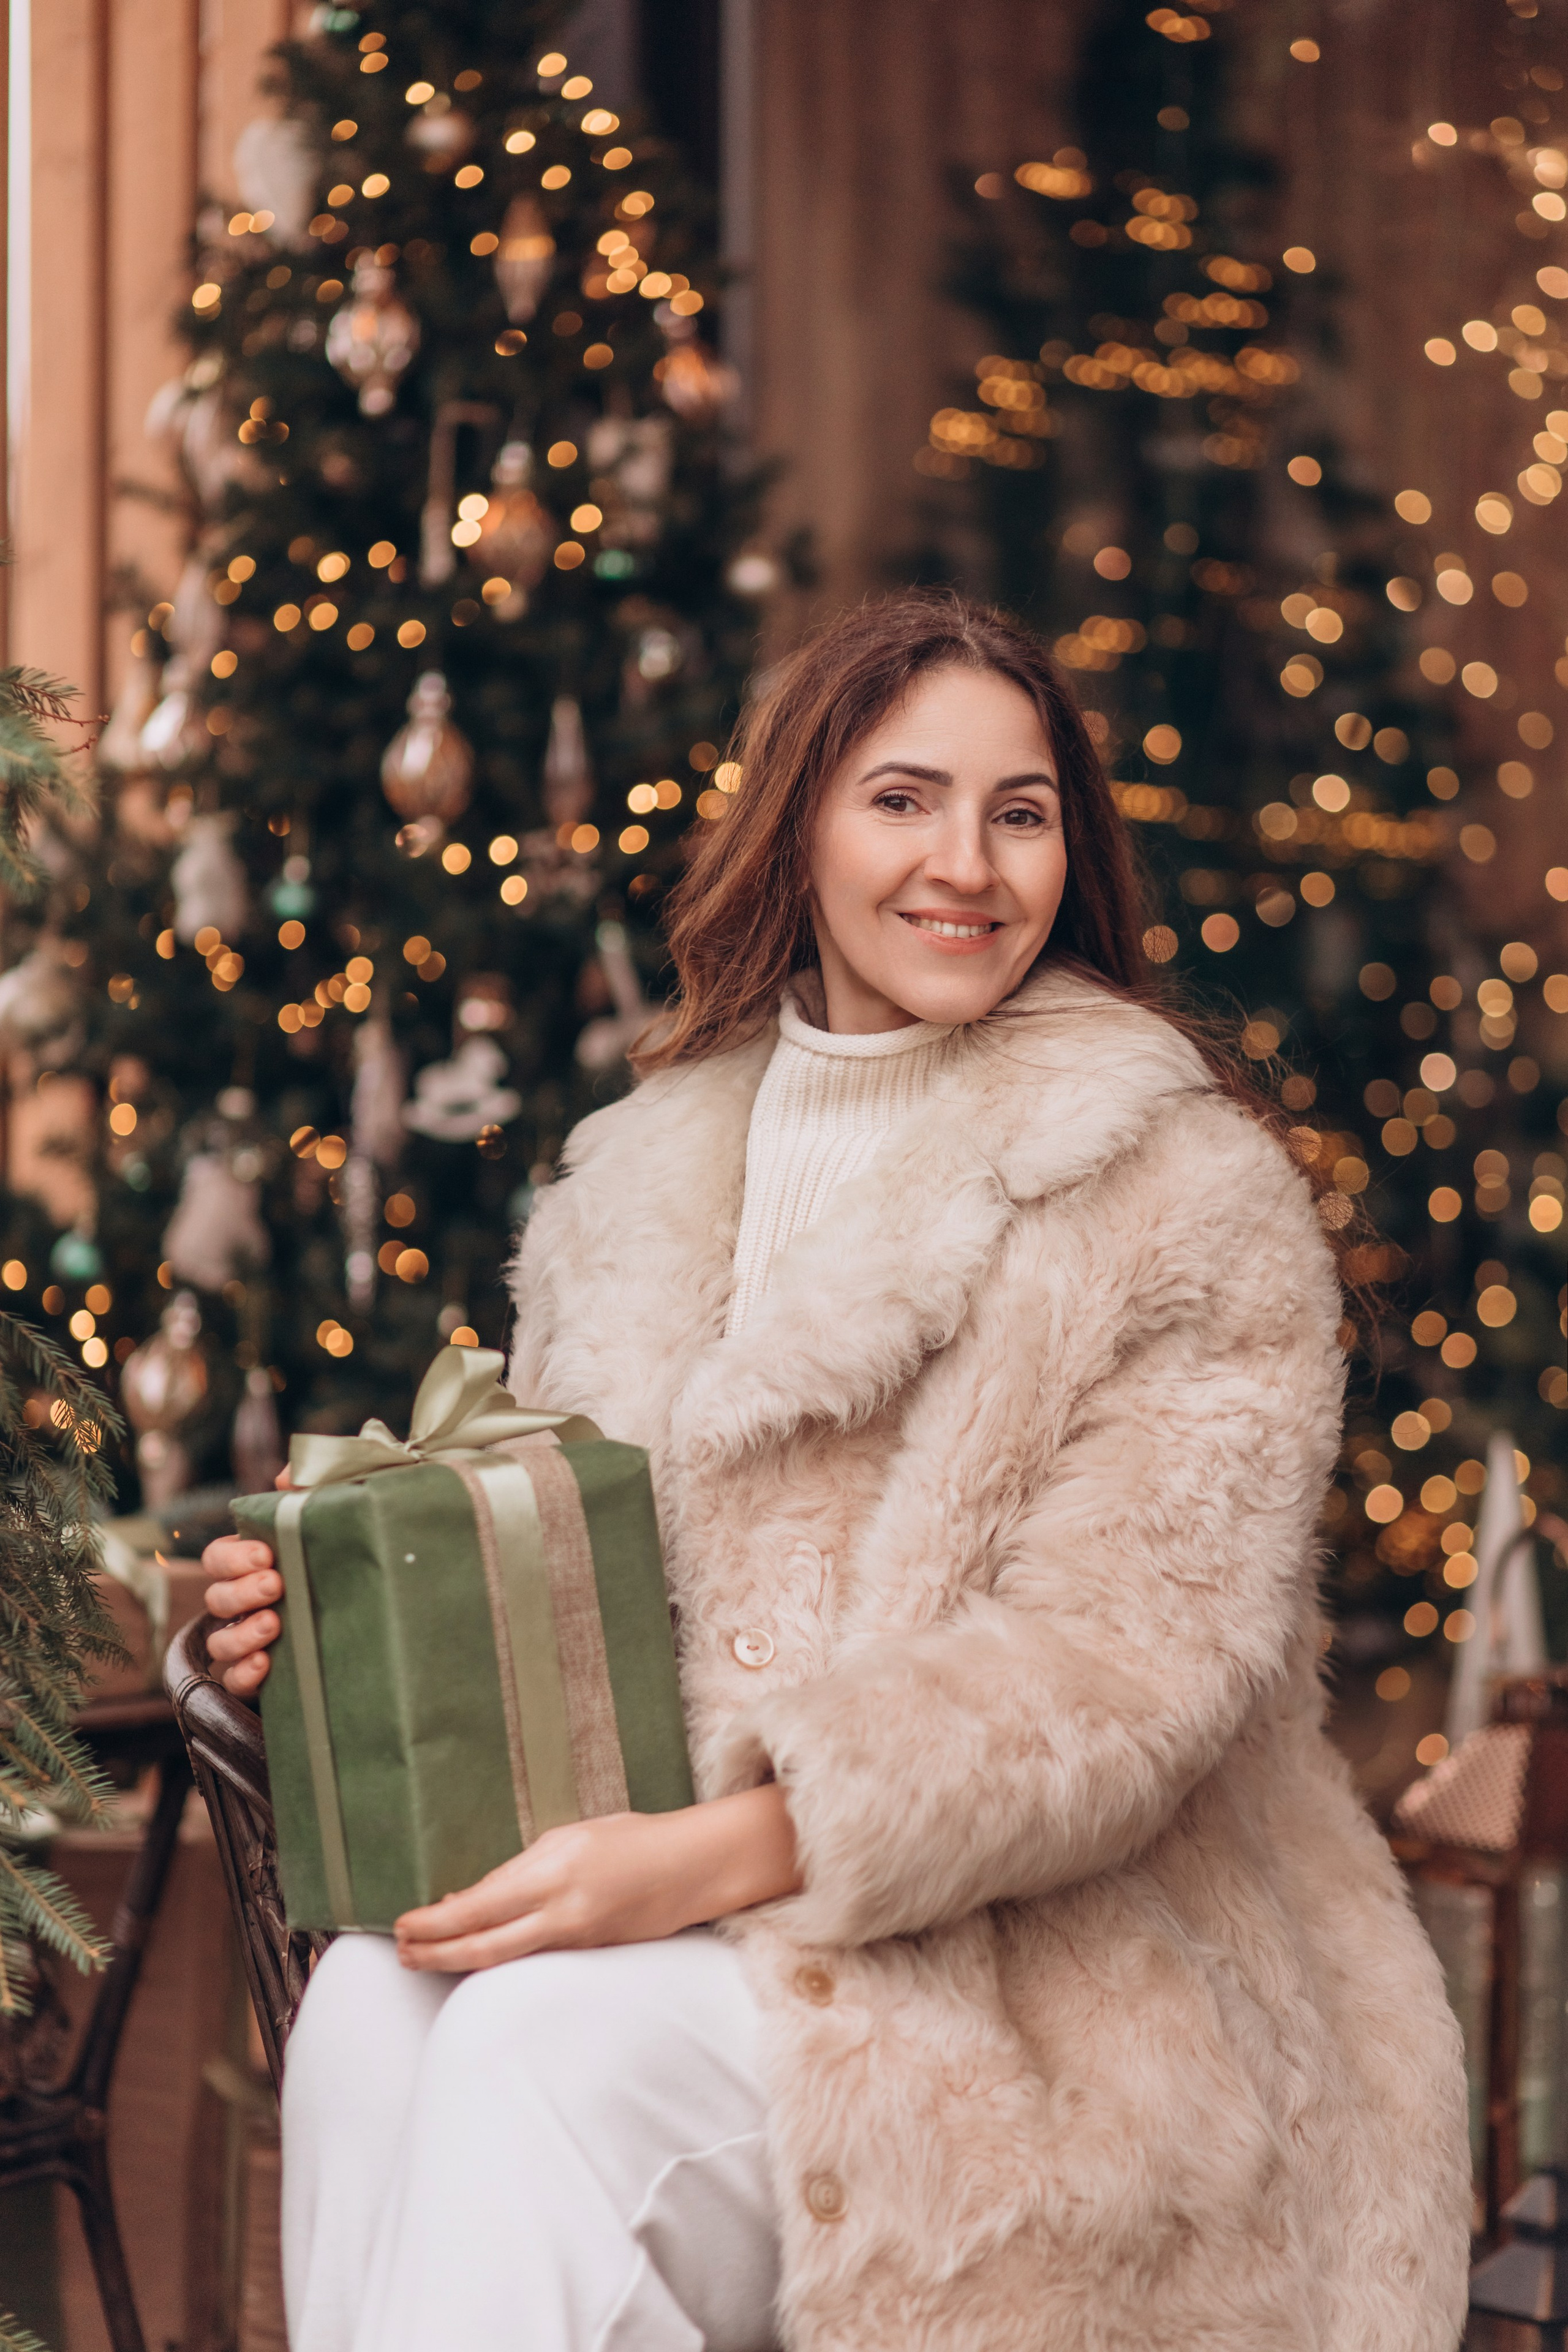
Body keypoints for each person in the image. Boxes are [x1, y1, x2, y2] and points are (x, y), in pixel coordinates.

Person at [203, 593, 1470, 2352]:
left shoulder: (1188, 1195)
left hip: (1065, 1997)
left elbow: (1122, 1682)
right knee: (366, 2005)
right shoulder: (626, 1191)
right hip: (705, 1932)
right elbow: (562, 1593)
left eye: (1019, 814)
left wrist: (700, 1862)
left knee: (534, 2051)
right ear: (798, 824)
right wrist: (313, 1631)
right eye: (902, 800)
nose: (967, 864)